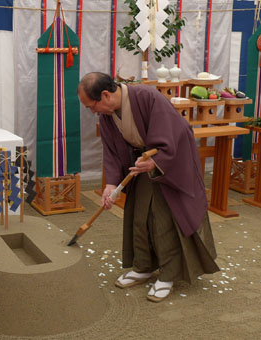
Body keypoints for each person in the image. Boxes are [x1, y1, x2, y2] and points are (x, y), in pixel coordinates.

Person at [77, 72, 219, 302]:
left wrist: (156, 161)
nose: (92, 111)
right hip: (142, 163)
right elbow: (112, 153)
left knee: (162, 219)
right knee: (138, 217)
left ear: (105, 95)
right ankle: (142, 267)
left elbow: (175, 135)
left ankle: (168, 274)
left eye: (91, 106)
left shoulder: (146, 96)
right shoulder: (107, 115)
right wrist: (111, 185)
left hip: (169, 163)